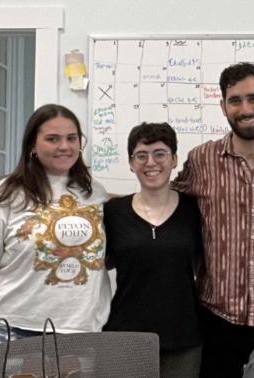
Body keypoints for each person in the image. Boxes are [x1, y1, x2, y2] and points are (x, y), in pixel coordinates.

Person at [171, 62, 254, 377]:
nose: (245, 109)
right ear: (223, 106)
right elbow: (166, 203)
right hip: (218, 320)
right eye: (235, 100)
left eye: (253, 98)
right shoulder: (201, 160)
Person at [0, 104, 111, 370]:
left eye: (71, 138)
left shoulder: (95, 194)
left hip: (81, 333)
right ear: (32, 145)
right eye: (53, 139)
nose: (64, 146)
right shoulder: (5, 193)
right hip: (14, 332)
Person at [102, 122, 202, 378]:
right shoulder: (113, 213)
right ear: (131, 162)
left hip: (184, 339)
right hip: (125, 337)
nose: (151, 163)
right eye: (141, 155)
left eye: (160, 154)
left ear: (174, 159)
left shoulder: (195, 210)